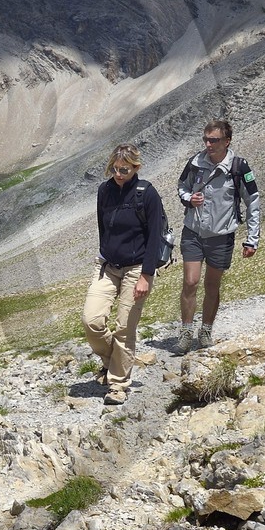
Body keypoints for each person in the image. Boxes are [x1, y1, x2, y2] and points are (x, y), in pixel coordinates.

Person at [83, 144, 167, 404]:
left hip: (137, 268)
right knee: (91, 321)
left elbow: (155, 236)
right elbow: (103, 228)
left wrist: (146, 275)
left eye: (124, 170)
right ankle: (113, 361)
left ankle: (118, 385)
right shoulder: (104, 192)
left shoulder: (147, 194)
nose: (118, 174)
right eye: (114, 169)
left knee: (124, 327)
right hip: (107, 266)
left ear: (136, 168)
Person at [173, 119, 261, 352]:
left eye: (214, 140)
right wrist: (189, 199)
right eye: (206, 139)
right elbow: (181, 186)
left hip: (222, 236)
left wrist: (252, 238)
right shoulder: (194, 163)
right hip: (193, 231)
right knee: (190, 282)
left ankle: (206, 331)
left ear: (227, 141)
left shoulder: (239, 167)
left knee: (212, 285)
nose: (208, 144)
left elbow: (252, 201)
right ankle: (185, 332)